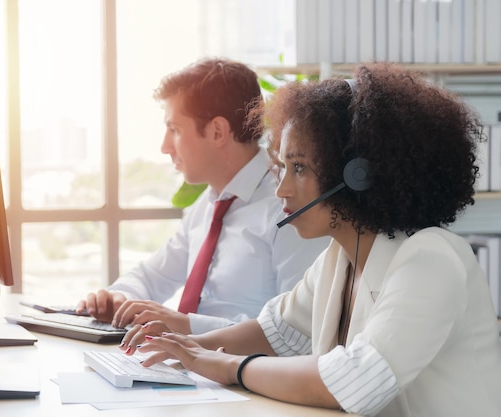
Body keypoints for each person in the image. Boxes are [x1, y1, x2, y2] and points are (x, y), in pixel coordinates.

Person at [121, 62, 501, 416]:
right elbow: (274, 331)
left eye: (298, 167)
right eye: (283, 166)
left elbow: (353, 381)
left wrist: (225, 365)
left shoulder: (430, 260)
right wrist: (186, 348)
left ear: (357, 175)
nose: (282, 188)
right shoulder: (339, 258)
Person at [76, 58, 328, 335]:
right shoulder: (208, 205)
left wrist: (186, 326)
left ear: (218, 132)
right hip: (187, 365)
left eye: (175, 130)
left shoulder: (289, 209)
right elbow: (153, 275)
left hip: (242, 373)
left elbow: (294, 331)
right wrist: (120, 297)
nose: (164, 146)